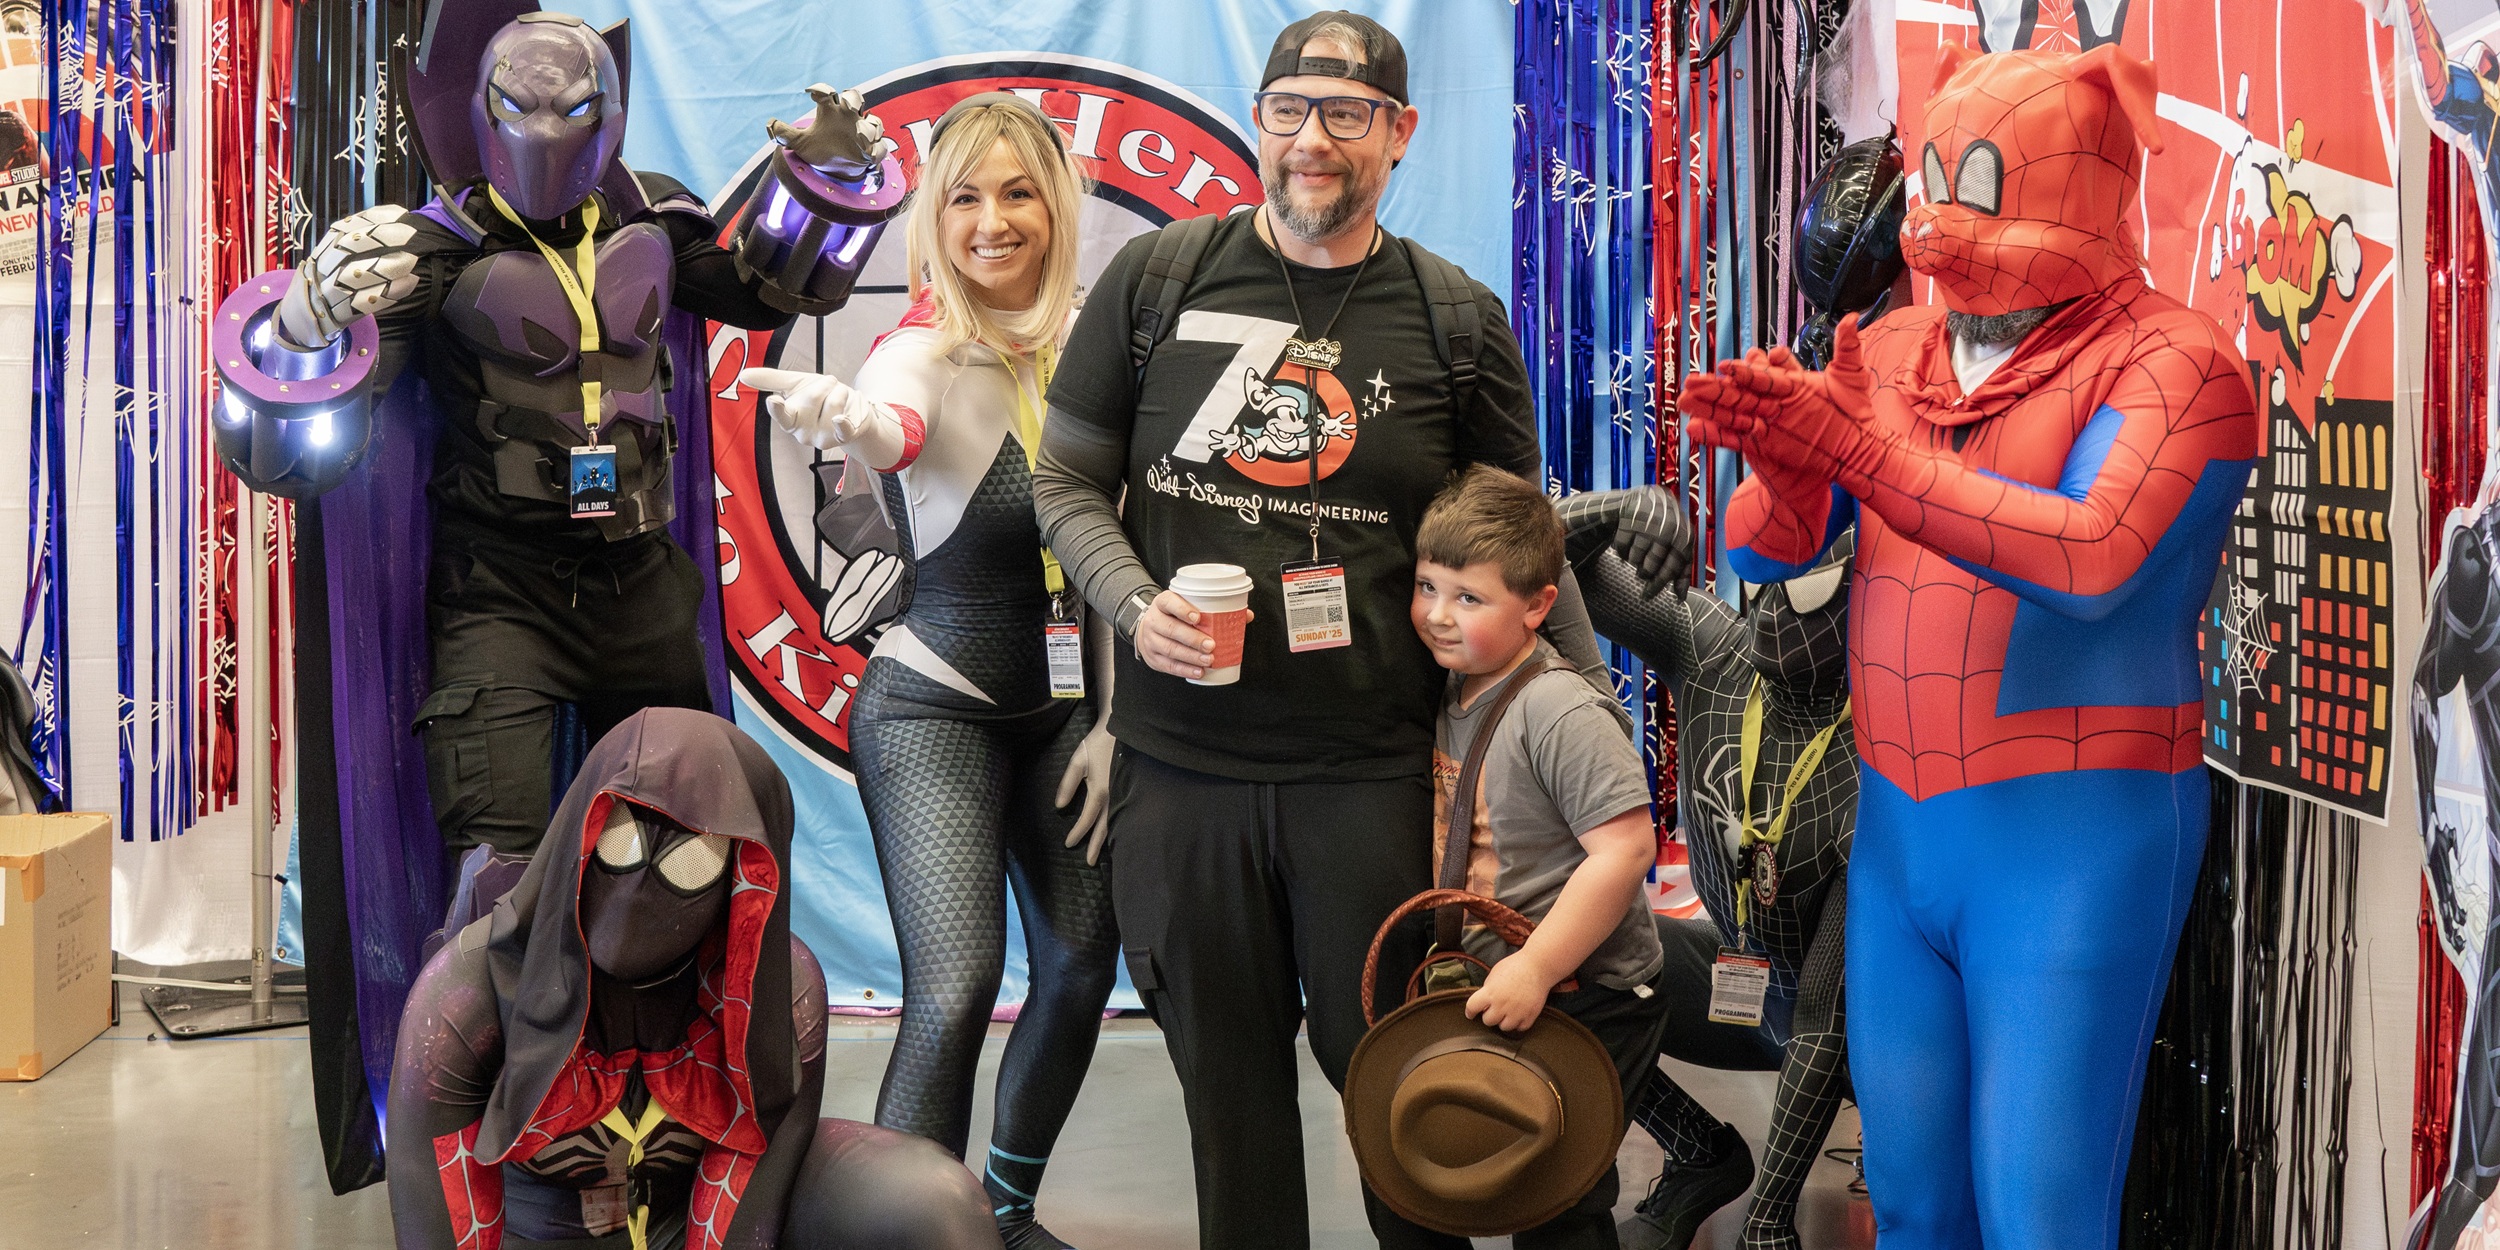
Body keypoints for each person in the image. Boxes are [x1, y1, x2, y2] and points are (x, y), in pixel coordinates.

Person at [1031, 11, 1612, 1248]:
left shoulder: (1452, 320)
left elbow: (1523, 544)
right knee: (1228, 1110)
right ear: (1258, 121)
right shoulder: (1156, 281)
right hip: (1179, 775)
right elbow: (1064, 483)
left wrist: (1585, 751)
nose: (1312, 140)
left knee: (1410, 1090)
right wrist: (1134, 606)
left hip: (1375, 776)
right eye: (1290, 109)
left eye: (1348, 115)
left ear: (1399, 135)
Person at [1679, 44, 2258, 1250]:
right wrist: (1784, 479)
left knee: (2040, 1210)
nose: (1939, 222)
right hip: (1898, 836)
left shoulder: (2179, 363)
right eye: (1935, 177)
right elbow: (1767, 563)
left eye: (1979, 181)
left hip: (2072, 838)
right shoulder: (1891, 350)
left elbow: (2092, 558)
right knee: (1915, 1198)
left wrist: (1860, 457)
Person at [209, 8, 903, 865]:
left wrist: (825, 177)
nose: (544, 132)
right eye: (521, 108)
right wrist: (303, 333)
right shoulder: (429, 254)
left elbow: (775, 287)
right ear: (480, 112)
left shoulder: (653, 224)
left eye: (571, 110)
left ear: (609, 113)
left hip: (639, 577)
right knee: (497, 872)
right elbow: (299, 459)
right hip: (499, 588)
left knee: (691, 853)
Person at [736, 93, 1116, 1250]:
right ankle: (901, 1229)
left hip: (1068, 718)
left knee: (1079, 968)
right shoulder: (919, 347)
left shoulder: (1094, 354)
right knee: (952, 989)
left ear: (1054, 206)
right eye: (963, 196)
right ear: (932, 218)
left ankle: (996, 1205)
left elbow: (1115, 557)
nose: (992, 221)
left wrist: (1114, 718)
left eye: (1016, 193)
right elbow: (892, 422)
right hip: (931, 711)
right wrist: (845, 415)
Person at [384, 708, 1000, 1250]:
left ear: (743, 871)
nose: (640, 890)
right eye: (620, 840)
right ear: (582, 831)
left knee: (935, 1203)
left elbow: (747, 1196)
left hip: (692, 1219)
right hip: (531, 1234)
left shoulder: (776, 988)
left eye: (692, 859)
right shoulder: (467, 996)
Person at [1558, 487, 1856, 1250]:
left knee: (1846, 1024)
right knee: (1557, 954)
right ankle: (1697, 1149)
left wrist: (1769, 1220)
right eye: (1756, 581)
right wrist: (1615, 510)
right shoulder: (1714, 648)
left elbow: (1826, 1019)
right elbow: (1533, 565)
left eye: (1807, 589)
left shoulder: (1884, 751)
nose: (1769, 612)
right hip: (1740, 978)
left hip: (1860, 1041)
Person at [1410, 466, 1669, 1248]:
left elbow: (1625, 851)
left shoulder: (1555, 707)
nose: (1438, 616)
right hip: (1527, 981)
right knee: (1526, 1178)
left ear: (1538, 606)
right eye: (1427, 586)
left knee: (1562, 1189)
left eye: (1469, 598)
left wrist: (1537, 967)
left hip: (1590, 990)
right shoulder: (1457, 689)